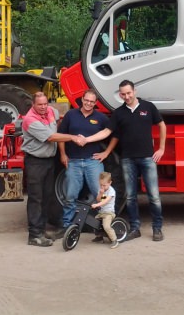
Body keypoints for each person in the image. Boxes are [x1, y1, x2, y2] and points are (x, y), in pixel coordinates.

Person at [83, 80, 166, 242]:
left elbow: (162, 125)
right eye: (123, 94)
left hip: (147, 158)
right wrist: (90, 141)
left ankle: (157, 229)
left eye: (129, 93)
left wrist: (161, 148)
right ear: (120, 94)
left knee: (154, 196)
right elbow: (110, 133)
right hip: (127, 159)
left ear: (134, 91)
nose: (126, 96)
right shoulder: (119, 113)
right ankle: (135, 228)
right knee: (130, 197)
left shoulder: (148, 107)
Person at [20, 91, 81, 247]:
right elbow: (51, 137)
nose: (43, 107)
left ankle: (42, 230)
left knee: (47, 197)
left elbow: (59, 118)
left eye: (45, 104)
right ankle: (34, 235)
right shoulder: (30, 120)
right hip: (35, 162)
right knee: (36, 198)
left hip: (48, 161)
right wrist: (73, 137)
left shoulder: (51, 111)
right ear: (33, 105)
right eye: (39, 104)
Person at [53, 89, 115, 240]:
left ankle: (103, 228)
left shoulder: (101, 118)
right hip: (73, 161)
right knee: (70, 196)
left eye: (92, 102)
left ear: (95, 103)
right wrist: (62, 154)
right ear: (81, 99)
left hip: (92, 162)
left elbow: (114, 134)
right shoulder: (71, 115)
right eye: (86, 100)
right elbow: (61, 136)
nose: (88, 104)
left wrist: (106, 152)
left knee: (100, 195)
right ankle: (66, 227)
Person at [91, 171, 119, 249]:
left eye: (104, 185)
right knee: (93, 222)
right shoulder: (102, 190)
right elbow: (99, 199)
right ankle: (99, 237)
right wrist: (100, 193)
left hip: (109, 213)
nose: (102, 187)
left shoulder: (111, 191)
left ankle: (114, 240)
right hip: (102, 212)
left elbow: (105, 201)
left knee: (106, 226)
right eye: (101, 185)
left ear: (110, 183)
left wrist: (96, 205)